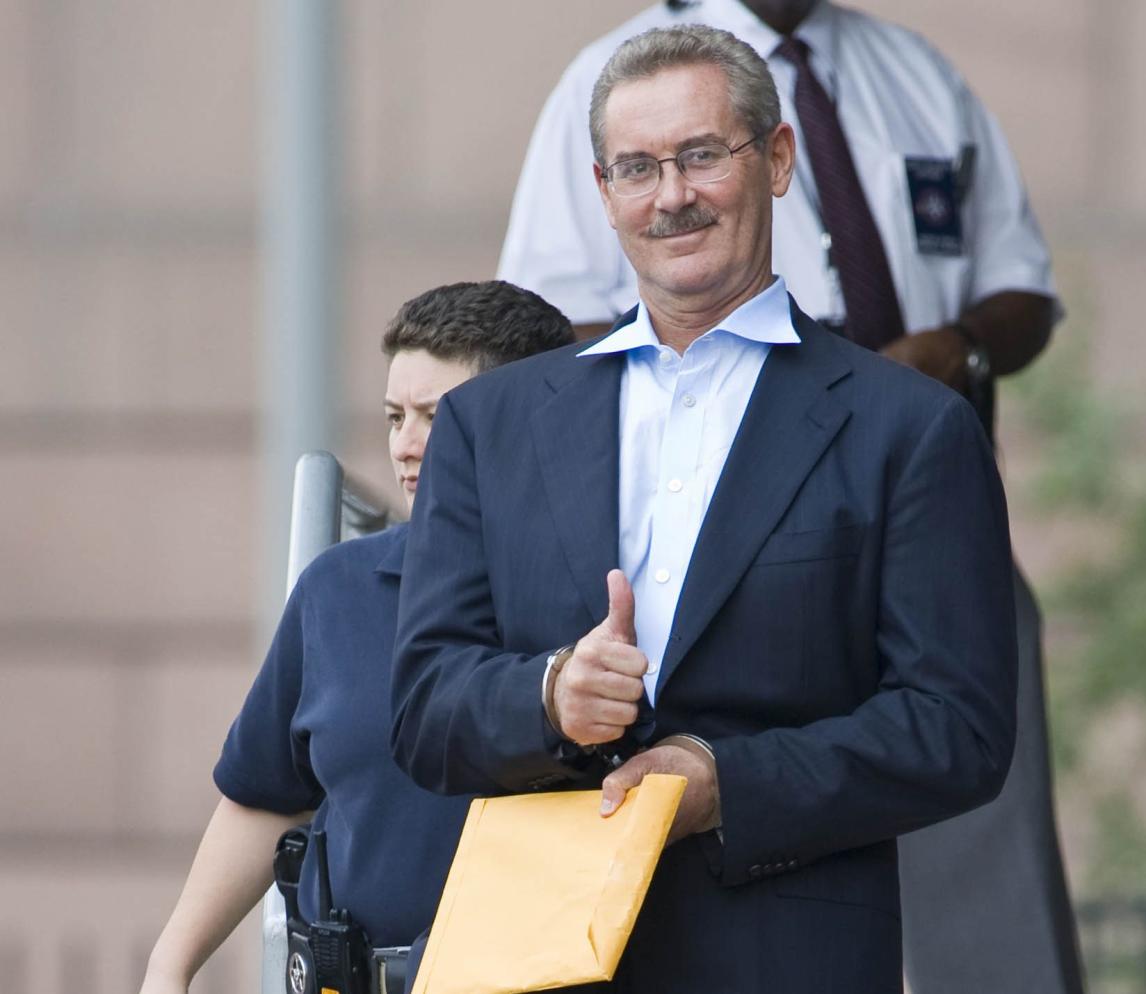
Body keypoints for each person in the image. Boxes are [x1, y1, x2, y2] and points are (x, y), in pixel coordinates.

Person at [391, 27, 1016, 993]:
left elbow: (958, 731)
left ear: (774, 161)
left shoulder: (910, 427)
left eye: (700, 156)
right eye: (637, 167)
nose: (671, 195)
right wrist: (549, 695)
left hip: (785, 954)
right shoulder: (491, 425)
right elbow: (424, 707)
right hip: (532, 955)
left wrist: (730, 784)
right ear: (602, 192)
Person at [138, 282, 573, 994]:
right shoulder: (336, 590)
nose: (405, 444)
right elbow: (265, 792)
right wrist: (170, 966)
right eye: (395, 415)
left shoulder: (593, 595)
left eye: (437, 416)